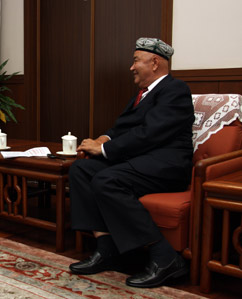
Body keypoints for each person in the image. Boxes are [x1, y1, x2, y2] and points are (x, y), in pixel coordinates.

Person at [68, 38, 194, 288]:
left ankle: (165, 257)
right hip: (140, 161)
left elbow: (151, 133)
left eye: (136, 60)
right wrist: (102, 138)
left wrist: (103, 149)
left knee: (106, 179)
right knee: (81, 169)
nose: (131, 67)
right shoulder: (142, 95)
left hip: (167, 166)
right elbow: (122, 127)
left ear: (155, 62)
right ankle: (107, 248)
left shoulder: (175, 89)